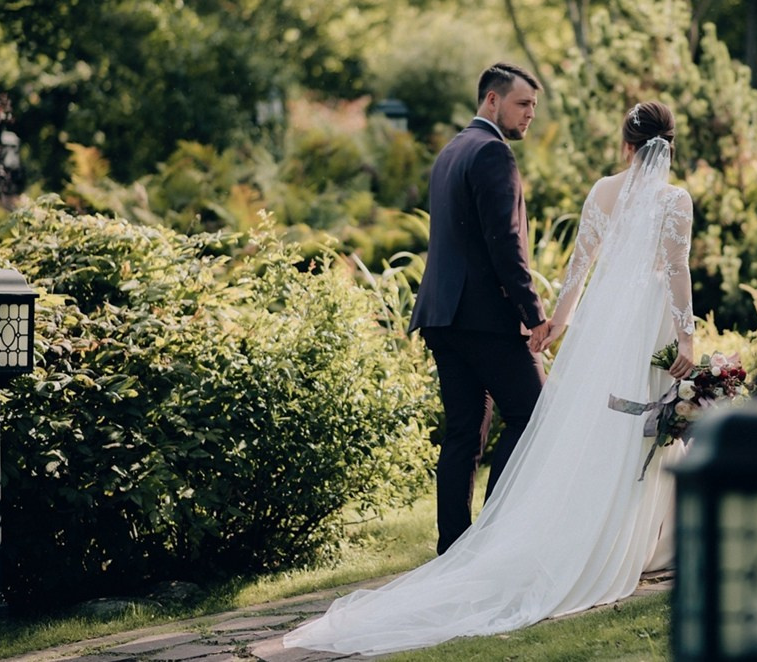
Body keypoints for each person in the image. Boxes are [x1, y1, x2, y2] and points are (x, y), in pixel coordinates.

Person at [284, 100, 696, 656]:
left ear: (626, 144)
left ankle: (622, 535)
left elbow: (579, 269)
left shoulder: (602, 190)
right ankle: (641, 541)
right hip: (645, 323)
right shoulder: (675, 200)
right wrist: (687, 338)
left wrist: (557, 325)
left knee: (600, 426)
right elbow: (676, 270)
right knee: (648, 422)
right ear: (668, 146)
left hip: (602, 324)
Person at [407, 62, 552, 555]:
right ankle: (492, 539)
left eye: (533, 105)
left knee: (464, 433)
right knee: (537, 414)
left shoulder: (451, 150)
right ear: (492, 100)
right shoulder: (493, 152)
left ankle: (453, 549)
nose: (530, 114)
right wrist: (534, 315)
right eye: (522, 104)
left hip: (442, 317)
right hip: (483, 319)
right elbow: (504, 245)